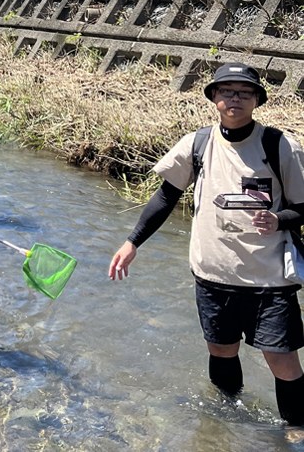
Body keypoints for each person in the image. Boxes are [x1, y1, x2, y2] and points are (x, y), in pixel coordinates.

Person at [108, 63, 304, 426]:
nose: (234, 99)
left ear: (257, 100)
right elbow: (165, 197)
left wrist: (279, 219)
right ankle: (227, 424)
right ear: (214, 97)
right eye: (226, 91)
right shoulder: (197, 143)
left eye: (244, 92)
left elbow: (303, 207)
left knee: (282, 361)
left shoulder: (280, 146)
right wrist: (132, 242)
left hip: (269, 280)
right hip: (212, 275)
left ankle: (295, 432)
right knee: (221, 350)